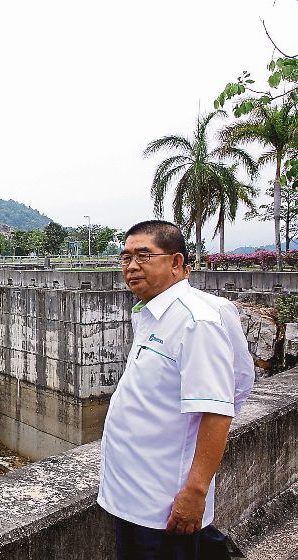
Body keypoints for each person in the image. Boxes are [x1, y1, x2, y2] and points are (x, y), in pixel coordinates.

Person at [98, 220, 254, 559]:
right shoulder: (152, 313)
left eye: (144, 255)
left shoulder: (195, 321)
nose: (132, 266)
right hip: (135, 493)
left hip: (163, 503)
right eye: (125, 257)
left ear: (177, 263)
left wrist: (195, 491)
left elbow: (217, 410)